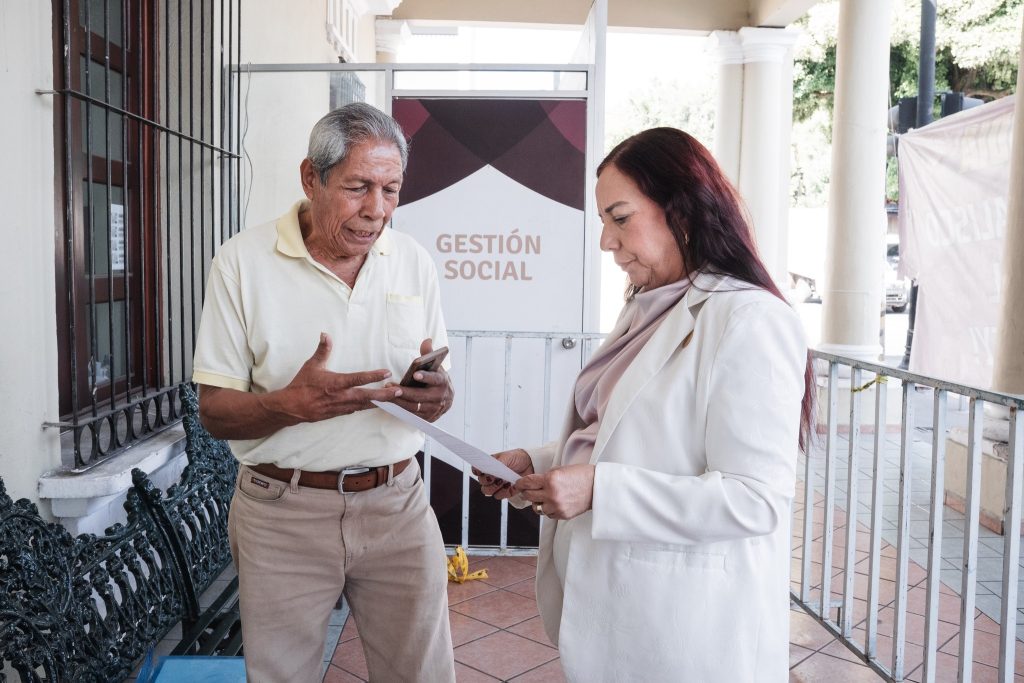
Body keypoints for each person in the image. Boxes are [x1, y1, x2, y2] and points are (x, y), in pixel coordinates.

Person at [480, 127, 814, 682]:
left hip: (688, 633)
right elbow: (626, 432)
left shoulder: (749, 320)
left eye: (620, 217)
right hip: (627, 613)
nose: (607, 241)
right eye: (603, 223)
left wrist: (599, 490)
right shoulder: (651, 305)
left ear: (682, 210)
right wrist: (541, 464)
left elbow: (755, 499)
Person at [192, 103, 456, 683]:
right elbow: (213, 412)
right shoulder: (241, 264)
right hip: (282, 513)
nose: (376, 210)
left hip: (397, 505)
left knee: (423, 672)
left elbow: (439, 391)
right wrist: (287, 405)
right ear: (311, 177)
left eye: (391, 189)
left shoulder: (412, 262)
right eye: (358, 187)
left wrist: (435, 396)